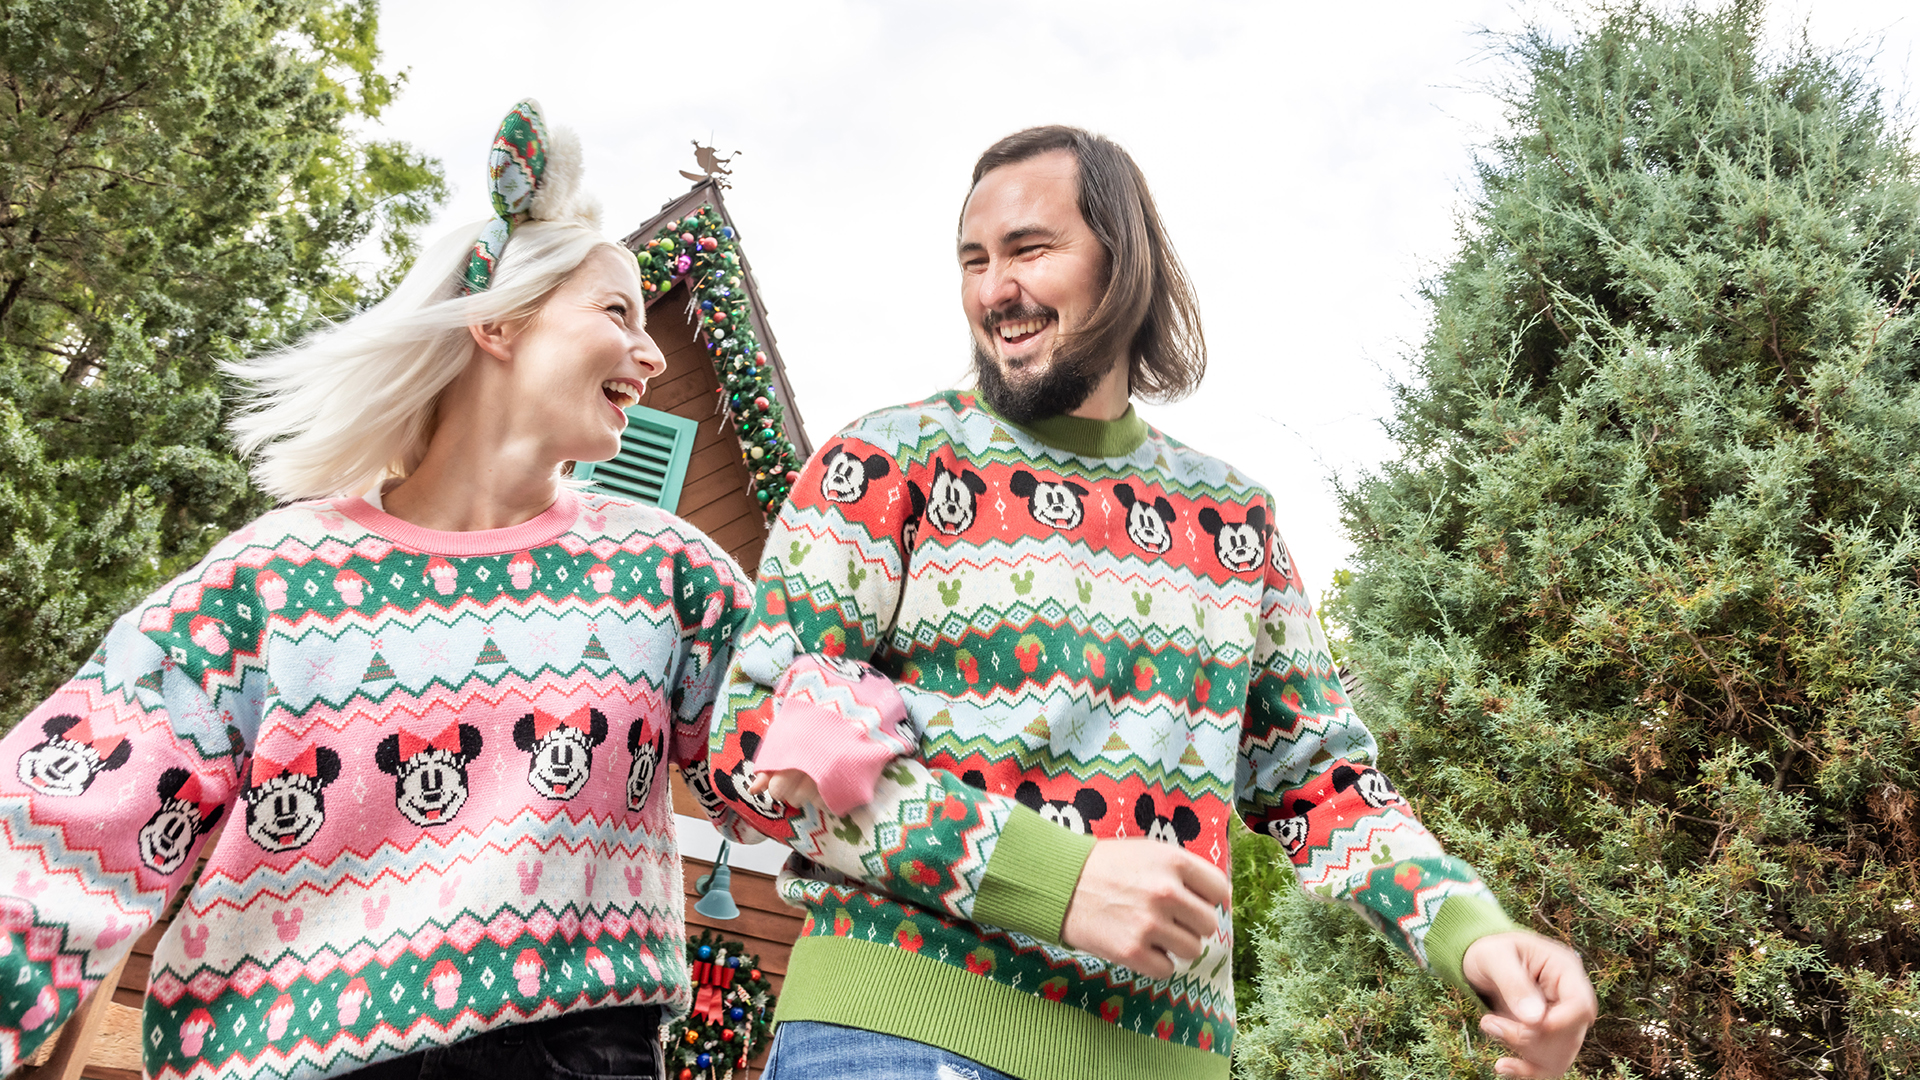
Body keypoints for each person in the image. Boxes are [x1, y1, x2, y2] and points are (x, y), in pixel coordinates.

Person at [707, 125, 1598, 1080]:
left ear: (1123, 265)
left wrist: (1473, 934)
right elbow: (757, 742)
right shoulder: (887, 464)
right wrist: (1056, 882)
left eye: (1029, 249)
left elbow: (1324, 784)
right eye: (974, 260)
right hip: (897, 1036)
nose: (993, 288)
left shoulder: (1233, 520)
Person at [0, 100, 755, 1080]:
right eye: (619, 313)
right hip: (277, 1054)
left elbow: (794, 754)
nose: (653, 356)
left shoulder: (667, 573)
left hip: (572, 1052)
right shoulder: (274, 579)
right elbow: (64, 819)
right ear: (495, 319)